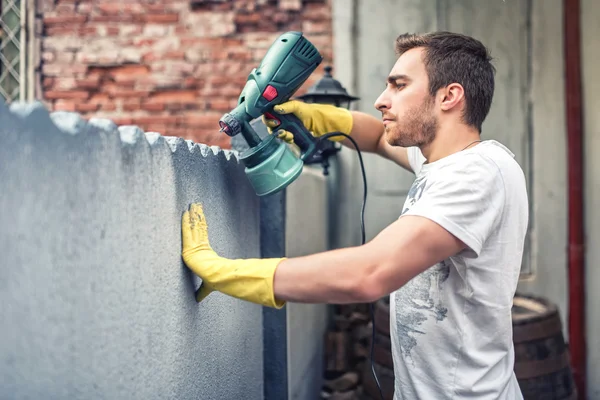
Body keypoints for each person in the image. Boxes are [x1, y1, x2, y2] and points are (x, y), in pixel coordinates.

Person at [181, 31, 528, 400]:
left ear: (449, 96)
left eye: (398, 85)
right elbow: (378, 138)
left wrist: (225, 273)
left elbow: (370, 273)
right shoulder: (443, 163)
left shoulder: (477, 174)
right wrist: (314, 115)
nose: (382, 100)